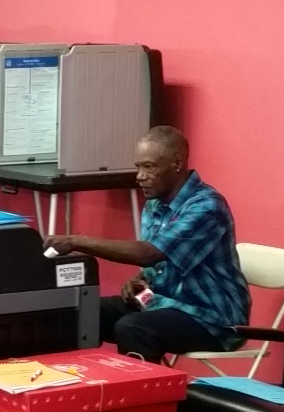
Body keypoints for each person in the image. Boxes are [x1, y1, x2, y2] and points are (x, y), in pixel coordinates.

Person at [43, 126, 250, 364]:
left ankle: (145, 398)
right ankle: (73, 385)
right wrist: (141, 279)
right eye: (138, 167)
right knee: (81, 313)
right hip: (162, 302)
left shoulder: (206, 207)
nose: (140, 176)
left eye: (149, 167)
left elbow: (149, 253)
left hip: (214, 319)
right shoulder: (155, 203)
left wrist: (74, 241)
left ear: (177, 163)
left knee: (134, 328)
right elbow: (161, 260)